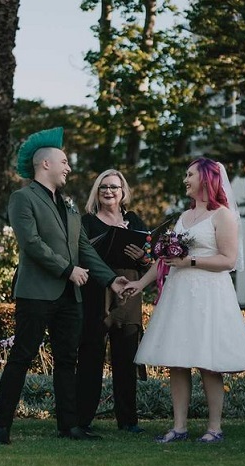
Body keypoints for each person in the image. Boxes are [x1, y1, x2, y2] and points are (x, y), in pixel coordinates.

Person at [0, 127, 129, 444]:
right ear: (46, 165)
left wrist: (111, 278)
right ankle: (3, 427)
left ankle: (69, 427)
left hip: (71, 298)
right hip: (36, 294)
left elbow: (85, 249)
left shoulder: (69, 205)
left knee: (68, 362)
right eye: (64, 162)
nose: (68, 168)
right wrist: (68, 270)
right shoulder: (22, 198)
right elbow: (31, 243)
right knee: (21, 357)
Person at [124, 157, 245, 443]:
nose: (185, 180)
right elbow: (165, 261)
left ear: (206, 178)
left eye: (190, 175)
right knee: (177, 360)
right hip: (179, 293)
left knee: (208, 361)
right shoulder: (183, 218)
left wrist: (191, 261)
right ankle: (179, 427)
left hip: (210, 293)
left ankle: (214, 428)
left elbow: (228, 259)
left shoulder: (222, 215)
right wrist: (140, 283)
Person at [76, 169, 150, 434]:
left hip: (129, 292)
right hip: (96, 294)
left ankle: (128, 421)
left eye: (114, 187)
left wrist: (142, 257)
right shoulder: (86, 223)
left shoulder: (134, 220)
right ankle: (81, 420)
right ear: (97, 191)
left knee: (126, 359)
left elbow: (150, 261)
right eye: (104, 187)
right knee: (90, 358)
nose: (109, 191)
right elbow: (80, 257)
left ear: (123, 192)